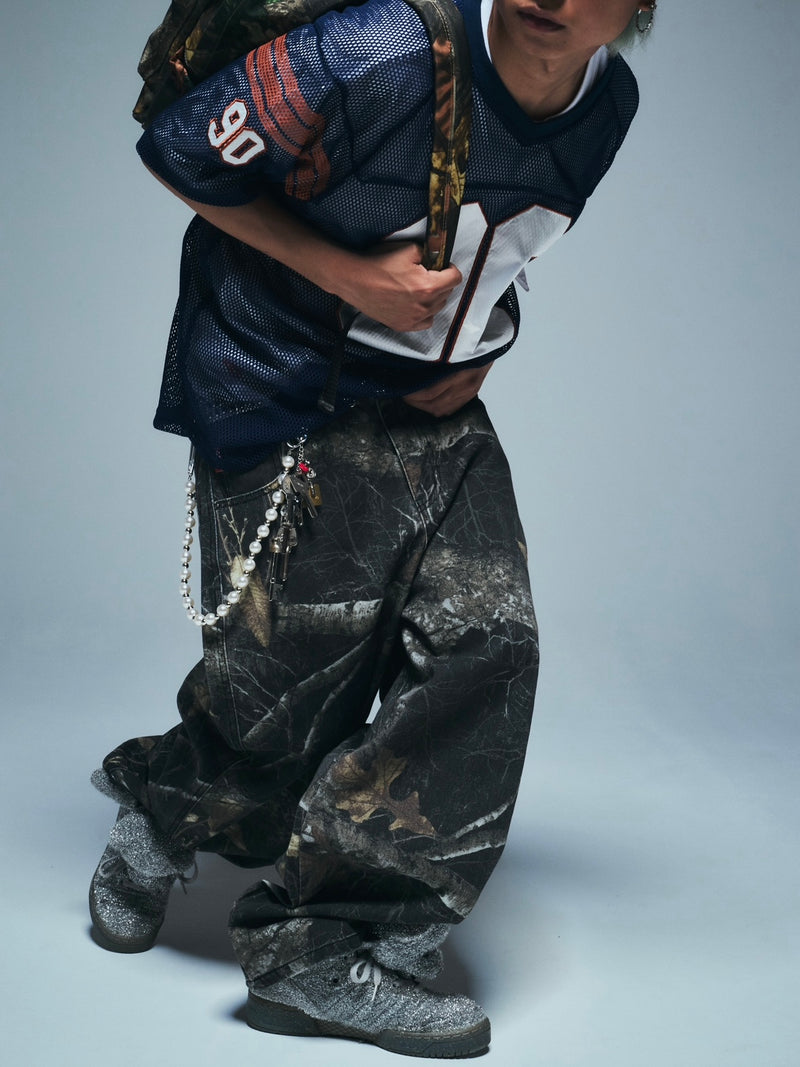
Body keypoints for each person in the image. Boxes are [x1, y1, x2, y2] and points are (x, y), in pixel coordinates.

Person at [89, 0, 656, 1057]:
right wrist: (351, 279)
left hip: (430, 408)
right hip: (284, 385)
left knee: (491, 644)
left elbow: (501, 241)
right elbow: (179, 147)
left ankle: (325, 947)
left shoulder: (607, 104)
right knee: (283, 702)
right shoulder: (377, 50)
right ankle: (159, 814)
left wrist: (485, 343)